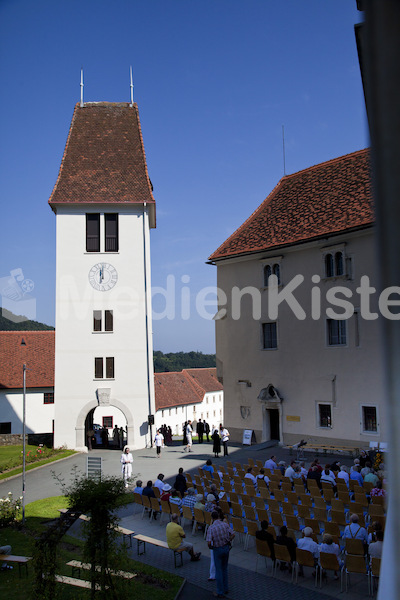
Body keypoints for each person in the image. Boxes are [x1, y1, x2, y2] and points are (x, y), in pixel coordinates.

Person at [206, 510, 235, 598]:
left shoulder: (211, 528)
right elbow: (233, 534)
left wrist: (211, 547)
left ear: (212, 518)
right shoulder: (224, 524)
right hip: (226, 548)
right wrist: (228, 540)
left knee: (218, 570)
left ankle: (220, 592)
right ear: (218, 516)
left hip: (217, 549)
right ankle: (226, 588)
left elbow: (209, 542)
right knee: (224, 569)